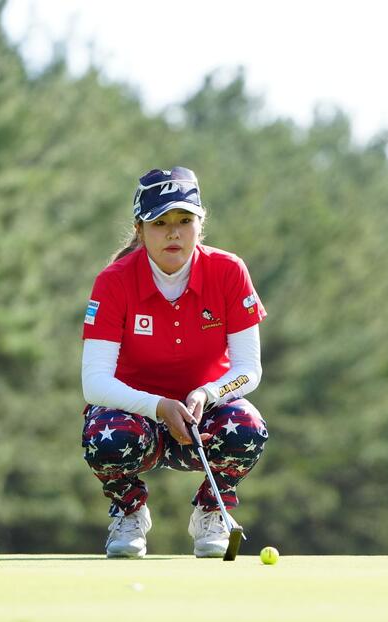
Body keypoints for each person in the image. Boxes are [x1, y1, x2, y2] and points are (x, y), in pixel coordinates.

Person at [80, 166, 269, 558]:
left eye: (185, 220)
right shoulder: (114, 281)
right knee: (103, 434)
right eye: (160, 222)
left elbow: (249, 370)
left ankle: (212, 511)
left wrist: (208, 392)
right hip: (136, 422)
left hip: (202, 420)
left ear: (200, 224)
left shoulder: (229, 271)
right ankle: (129, 510)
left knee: (247, 425)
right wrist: (159, 406)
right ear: (139, 228)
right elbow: (94, 383)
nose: (173, 232)